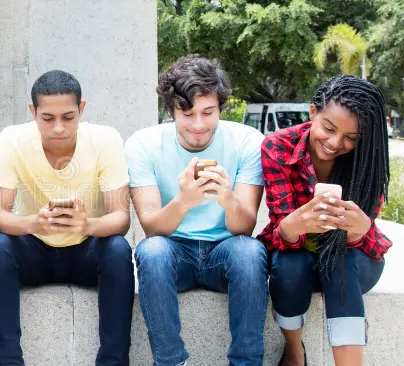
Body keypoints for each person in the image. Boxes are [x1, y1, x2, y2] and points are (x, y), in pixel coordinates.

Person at [125, 55, 267, 366]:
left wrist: (228, 198)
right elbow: (151, 228)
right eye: (187, 114)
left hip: (225, 250)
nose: (199, 125)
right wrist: (184, 201)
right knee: (152, 251)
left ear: (221, 107)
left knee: (250, 251)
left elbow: (244, 229)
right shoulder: (143, 145)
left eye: (208, 112)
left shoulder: (247, 141)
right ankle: (171, 362)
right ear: (171, 111)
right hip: (174, 251)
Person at [0, 70, 135, 365]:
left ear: (81, 109)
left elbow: (121, 218)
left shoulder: (105, 139)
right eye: (47, 118)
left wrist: (87, 224)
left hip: (86, 250)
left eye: (68, 117)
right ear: (33, 112)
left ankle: (113, 362)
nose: (58, 128)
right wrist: (33, 223)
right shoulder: (12, 139)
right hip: (34, 250)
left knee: (118, 249)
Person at [258, 74, 391, 366]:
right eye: (328, 128)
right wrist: (297, 224)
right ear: (313, 112)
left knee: (339, 263)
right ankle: (294, 349)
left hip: (354, 258)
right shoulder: (277, 147)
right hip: (296, 254)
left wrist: (358, 230)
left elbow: (365, 236)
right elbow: (282, 232)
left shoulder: (369, 158)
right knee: (289, 266)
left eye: (351, 138)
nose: (334, 143)